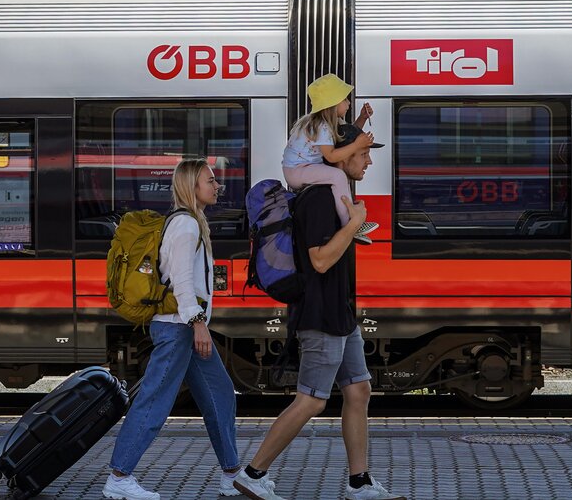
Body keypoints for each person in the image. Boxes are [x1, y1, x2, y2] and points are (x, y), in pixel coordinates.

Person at [234, 128, 406, 500]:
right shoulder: (317, 199)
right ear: (340, 157)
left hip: (341, 313)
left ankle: (359, 483)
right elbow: (320, 259)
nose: (369, 160)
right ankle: (253, 473)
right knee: (311, 399)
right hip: (320, 316)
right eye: (363, 153)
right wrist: (353, 225)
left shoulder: (336, 196)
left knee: (359, 390)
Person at [103, 158, 243, 500]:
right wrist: (198, 324)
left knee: (220, 395)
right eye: (210, 181)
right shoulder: (186, 227)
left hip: (184, 327)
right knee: (154, 400)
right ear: (191, 186)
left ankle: (231, 475)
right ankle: (119, 477)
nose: (216, 186)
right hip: (178, 329)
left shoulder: (192, 223)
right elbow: (181, 283)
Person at [281, 73, 381, 244]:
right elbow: (332, 155)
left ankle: (347, 219)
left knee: (336, 174)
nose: (349, 103)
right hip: (298, 171)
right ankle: (350, 225)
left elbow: (346, 137)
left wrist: (362, 118)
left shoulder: (322, 123)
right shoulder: (323, 126)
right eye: (345, 100)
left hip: (297, 169)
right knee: (338, 176)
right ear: (333, 104)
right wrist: (357, 146)